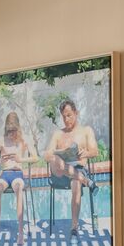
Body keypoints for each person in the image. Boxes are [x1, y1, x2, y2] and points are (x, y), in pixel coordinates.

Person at [43, 99, 98, 238]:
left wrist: (86, 153)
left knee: (76, 185)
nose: (66, 119)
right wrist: (58, 153)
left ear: (76, 113)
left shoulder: (86, 130)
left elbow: (94, 151)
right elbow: (47, 154)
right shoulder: (58, 133)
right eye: (64, 116)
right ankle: (87, 182)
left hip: (77, 170)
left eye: (69, 115)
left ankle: (74, 228)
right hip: (59, 173)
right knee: (57, 160)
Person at [0, 112, 37, 245]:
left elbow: (35, 158)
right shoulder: (1, 140)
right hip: (5, 174)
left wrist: (21, 159)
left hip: (17, 174)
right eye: (9, 131)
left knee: (18, 187)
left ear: (18, 128)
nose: (11, 134)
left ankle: (21, 234)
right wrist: (0, 160)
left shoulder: (24, 140)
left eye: (13, 131)